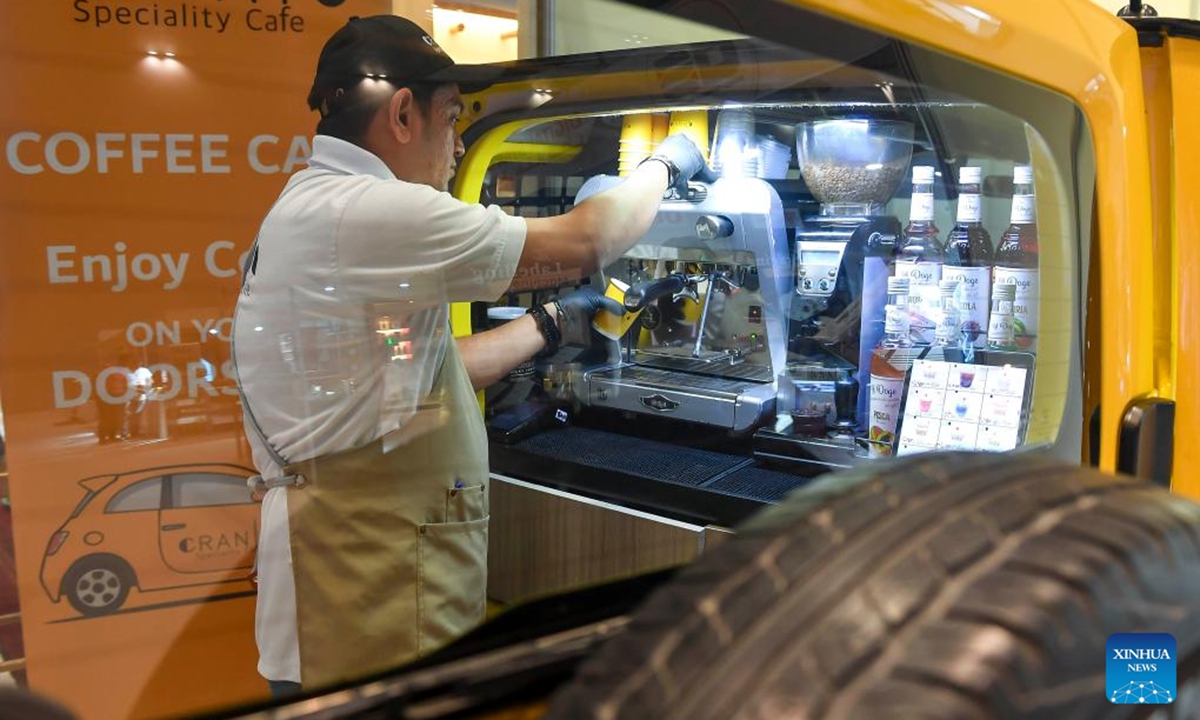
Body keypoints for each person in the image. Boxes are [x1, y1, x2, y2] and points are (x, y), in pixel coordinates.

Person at [231, 14, 713, 696]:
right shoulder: (368, 213)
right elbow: (586, 240)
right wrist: (668, 164)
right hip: (368, 602)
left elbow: (419, 372)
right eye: (453, 119)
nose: (459, 144)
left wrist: (553, 322)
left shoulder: (316, 208)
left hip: (354, 586)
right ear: (403, 114)